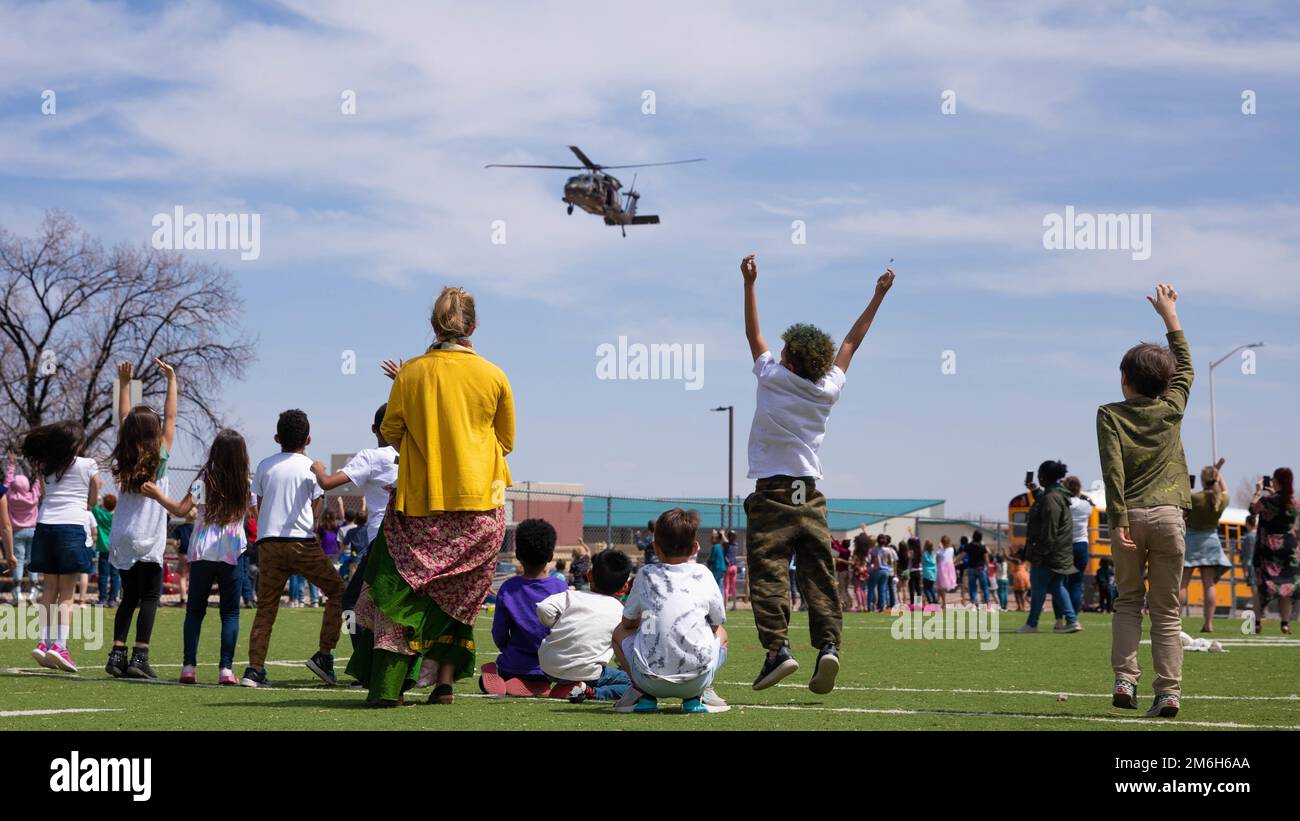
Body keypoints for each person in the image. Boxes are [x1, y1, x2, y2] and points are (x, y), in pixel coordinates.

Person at [349, 286, 514, 706]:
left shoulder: (412, 373)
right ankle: (443, 683)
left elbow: (390, 433)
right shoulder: (494, 375)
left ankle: (387, 688)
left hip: (419, 505)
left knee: (397, 593)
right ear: (474, 326)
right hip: (480, 507)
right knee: (456, 597)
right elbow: (506, 441)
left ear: (433, 325)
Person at [740, 253, 895, 695]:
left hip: (770, 494)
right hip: (809, 496)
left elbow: (753, 333)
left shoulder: (771, 377)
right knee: (819, 574)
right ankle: (828, 646)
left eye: (785, 351)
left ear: (789, 361)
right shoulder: (826, 390)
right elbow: (851, 343)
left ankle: (777, 652)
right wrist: (878, 294)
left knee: (768, 572)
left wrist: (749, 283)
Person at [1098, 283, 1191, 718]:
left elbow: (1112, 470)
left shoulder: (1110, 415)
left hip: (1129, 516)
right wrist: (1169, 315)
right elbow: (1186, 365)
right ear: (1165, 382)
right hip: (1171, 515)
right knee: (1167, 610)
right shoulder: (1172, 407)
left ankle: (1124, 680)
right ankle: (1168, 692)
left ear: (1124, 379)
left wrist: (1117, 519)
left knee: (1128, 601)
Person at [142, 429, 252, 685]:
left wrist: (158, 495)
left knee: (194, 611)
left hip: (202, 548)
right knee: (230, 613)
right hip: (232, 550)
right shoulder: (245, 482)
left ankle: (189, 667)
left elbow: (182, 509)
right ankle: (226, 670)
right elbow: (257, 513)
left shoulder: (205, 479)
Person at [242, 408, 342, 688]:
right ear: (308, 440)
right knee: (337, 591)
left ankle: (255, 669)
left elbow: (259, 508)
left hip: (269, 543)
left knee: (266, 607)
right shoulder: (311, 468)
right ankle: (324, 655)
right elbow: (315, 513)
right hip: (301, 543)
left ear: (276, 437)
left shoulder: (264, 465)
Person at [612, 508, 729, 713]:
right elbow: (716, 622)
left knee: (619, 633)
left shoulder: (645, 574)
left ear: (656, 548)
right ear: (694, 547)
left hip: (649, 680)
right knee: (722, 634)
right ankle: (698, 694)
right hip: (696, 680)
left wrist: (651, 622)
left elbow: (628, 622)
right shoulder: (703, 573)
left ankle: (641, 692)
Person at [106, 359, 177, 680]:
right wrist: (172, 380)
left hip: (122, 534)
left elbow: (123, 417)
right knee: (150, 597)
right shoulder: (160, 454)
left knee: (128, 597)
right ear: (155, 431)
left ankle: (116, 655)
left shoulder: (124, 452)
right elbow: (172, 415)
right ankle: (140, 656)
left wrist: (124, 384)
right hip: (147, 536)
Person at [310, 402, 398, 624]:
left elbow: (328, 483)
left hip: (381, 540)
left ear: (374, 428)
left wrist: (318, 469)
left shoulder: (372, 457)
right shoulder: (418, 456)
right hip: (411, 542)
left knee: (350, 602)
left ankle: (362, 656)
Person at [22, 421, 100, 672]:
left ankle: (43, 643)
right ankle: (60, 646)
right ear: (77, 443)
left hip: (45, 526)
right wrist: (88, 503)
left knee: (49, 590)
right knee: (67, 593)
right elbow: (95, 491)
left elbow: (46, 494)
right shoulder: (88, 464)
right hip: (72, 527)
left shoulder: (47, 466)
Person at [482, 519, 568, 695]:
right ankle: (538, 684)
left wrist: (505, 648)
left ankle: (497, 674)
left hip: (514, 663)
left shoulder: (508, 588)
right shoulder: (561, 589)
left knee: (493, 668)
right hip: (551, 667)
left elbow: (499, 631)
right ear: (551, 556)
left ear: (518, 554)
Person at [538, 548, 634, 703]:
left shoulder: (571, 596)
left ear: (589, 575)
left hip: (549, 668)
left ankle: (569, 686)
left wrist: (555, 623)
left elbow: (544, 608)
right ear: (624, 587)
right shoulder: (620, 610)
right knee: (635, 683)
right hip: (588, 673)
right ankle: (589, 691)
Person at [1017, 460, 1081, 634]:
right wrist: (1035, 490)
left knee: (1038, 586)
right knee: (1056, 586)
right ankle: (1072, 620)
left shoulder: (1052, 498)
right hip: (1060, 552)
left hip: (1050, 553)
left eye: (1040, 475)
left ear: (1044, 477)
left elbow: (1049, 529)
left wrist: (1040, 553)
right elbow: (1047, 502)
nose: (1038, 478)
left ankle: (1032, 623)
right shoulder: (1057, 495)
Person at [1181, 461, 1231, 632]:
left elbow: (1182, 513)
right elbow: (1225, 490)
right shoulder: (1222, 499)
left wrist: (1185, 489)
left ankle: (1176, 621)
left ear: (1202, 480)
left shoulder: (1194, 498)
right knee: (1208, 584)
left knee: (1183, 584)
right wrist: (1218, 472)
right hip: (1211, 540)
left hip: (1191, 541)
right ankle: (1208, 623)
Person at [1249, 468, 1298, 634]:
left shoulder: (1267, 500)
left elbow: (1252, 509)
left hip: (1268, 546)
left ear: (1276, 481)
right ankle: (1285, 623)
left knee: (1260, 583)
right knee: (1287, 586)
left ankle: (1257, 622)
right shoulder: (1295, 502)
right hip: (1289, 548)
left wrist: (1257, 492)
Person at [5, 453, 42, 604]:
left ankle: (18, 591)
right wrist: (35, 466)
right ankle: (33, 590)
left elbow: (7, 484)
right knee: (33, 559)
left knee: (18, 560)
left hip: (17, 532)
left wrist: (11, 465)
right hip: (33, 530)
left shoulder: (11, 497)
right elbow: (38, 483)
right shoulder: (33, 496)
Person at [1062, 476, 1095, 618]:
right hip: (1081, 544)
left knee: (1061, 583)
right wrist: (1081, 495)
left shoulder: (1063, 504)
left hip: (1065, 545)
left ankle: (1061, 617)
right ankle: (1074, 618)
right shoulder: (1085, 506)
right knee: (1076, 583)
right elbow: (1091, 504)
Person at [91, 494, 118, 607]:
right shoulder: (117, 517)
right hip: (116, 548)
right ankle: (112, 599)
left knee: (103, 575)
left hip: (104, 548)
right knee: (115, 574)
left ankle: (102, 599)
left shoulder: (101, 514)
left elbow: (94, 506)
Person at [964, 531, 992, 609]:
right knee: (985, 587)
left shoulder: (969, 546)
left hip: (971, 568)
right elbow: (986, 559)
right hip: (981, 568)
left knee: (972, 587)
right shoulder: (982, 547)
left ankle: (974, 604)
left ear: (973, 536)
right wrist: (989, 568)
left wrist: (954, 562)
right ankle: (987, 604)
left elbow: (961, 555)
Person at [935, 535, 956, 609]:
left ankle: (942, 601)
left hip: (943, 569)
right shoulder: (950, 549)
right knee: (940, 587)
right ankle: (941, 601)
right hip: (944, 569)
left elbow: (937, 560)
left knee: (941, 587)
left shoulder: (941, 551)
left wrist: (940, 549)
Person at [849, 536, 869, 612]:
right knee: (862, 589)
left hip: (857, 571)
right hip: (864, 571)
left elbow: (853, 562)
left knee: (857, 589)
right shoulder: (865, 551)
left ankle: (860, 606)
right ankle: (865, 606)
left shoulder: (856, 551)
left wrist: (842, 560)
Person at [722, 530, 740, 609]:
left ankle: (725, 605)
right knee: (733, 586)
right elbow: (728, 541)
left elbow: (725, 541)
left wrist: (722, 534)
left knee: (726, 587)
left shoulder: (726, 545)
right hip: (734, 567)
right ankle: (734, 605)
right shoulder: (736, 545)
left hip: (728, 567)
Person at [921, 540, 938, 605]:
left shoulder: (925, 553)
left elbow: (922, 561)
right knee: (931, 588)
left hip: (927, 572)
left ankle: (930, 600)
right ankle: (934, 600)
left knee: (926, 588)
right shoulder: (933, 553)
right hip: (933, 573)